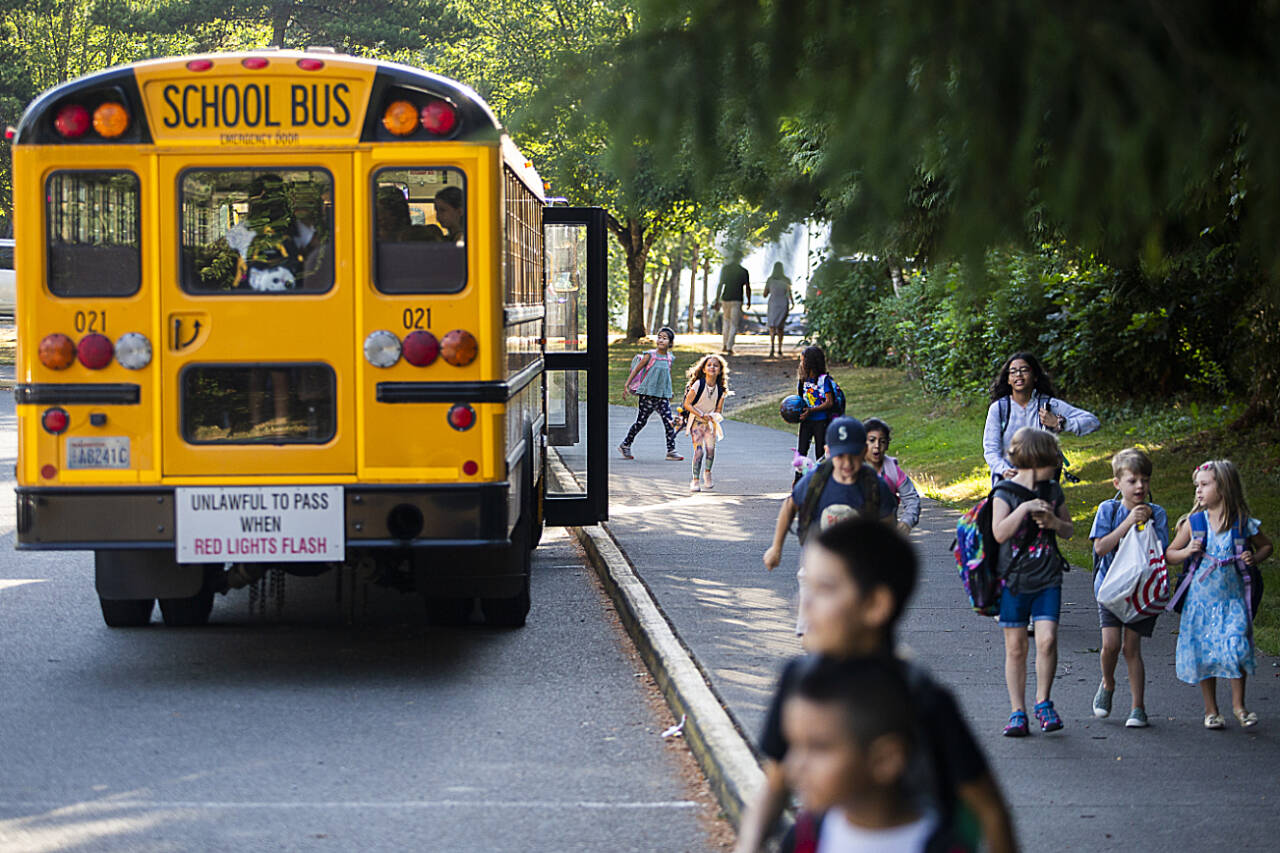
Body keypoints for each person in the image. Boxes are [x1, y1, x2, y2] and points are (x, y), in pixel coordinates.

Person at [737, 518, 1016, 853]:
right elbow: (777, 782)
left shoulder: (921, 698)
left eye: (824, 589)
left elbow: (990, 810)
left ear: (875, 605)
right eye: (805, 586)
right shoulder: (799, 680)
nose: (803, 604)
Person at [780, 658, 934, 852]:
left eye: (819, 748)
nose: (795, 766)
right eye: (794, 746)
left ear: (884, 760)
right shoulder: (805, 837)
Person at [763, 417, 897, 635]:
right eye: (840, 456)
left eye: (853, 456)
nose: (847, 463)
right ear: (827, 451)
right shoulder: (817, 481)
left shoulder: (873, 485)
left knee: (851, 632)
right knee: (811, 634)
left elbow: (887, 523)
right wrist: (776, 548)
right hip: (816, 569)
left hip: (857, 569)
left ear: (863, 451)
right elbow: (789, 506)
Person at [1165, 460, 1273, 729]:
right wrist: (1188, 550)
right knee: (1206, 655)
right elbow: (1170, 554)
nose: (1198, 491)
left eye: (1204, 485)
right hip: (1201, 604)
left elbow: (1267, 546)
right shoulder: (1194, 523)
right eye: (1196, 486)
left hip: (1232, 600)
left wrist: (1254, 557)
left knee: (1237, 648)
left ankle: (1239, 706)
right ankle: (1211, 710)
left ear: (1223, 488)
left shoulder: (1242, 523)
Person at [992, 427, 1074, 737]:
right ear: (1037, 459)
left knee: (1047, 639)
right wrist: (1025, 509)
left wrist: (1054, 522)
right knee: (1015, 649)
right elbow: (999, 532)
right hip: (1013, 579)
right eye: (1055, 460)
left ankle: (1043, 702)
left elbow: (1068, 530)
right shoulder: (1005, 492)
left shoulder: (1052, 490)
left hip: (1047, 577)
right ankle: (1017, 711)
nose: (1058, 465)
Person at [1089, 448, 1169, 728]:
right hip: (1110, 590)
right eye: (1133, 480)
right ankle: (1107, 683)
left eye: (1145, 480)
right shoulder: (1108, 510)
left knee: (1130, 648)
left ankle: (1138, 707)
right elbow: (1100, 547)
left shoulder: (1157, 513)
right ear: (1117, 483)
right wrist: (1128, 522)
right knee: (1110, 645)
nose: (1140, 486)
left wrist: (1149, 523)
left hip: (1141, 593)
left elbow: (1162, 553)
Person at [983, 352, 1099, 485]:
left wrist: (1060, 423)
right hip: (1008, 481)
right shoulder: (999, 408)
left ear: (1035, 376)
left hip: (1043, 481)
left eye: (1024, 370)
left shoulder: (1049, 405)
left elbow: (1093, 422)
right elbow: (991, 449)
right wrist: (1003, 469)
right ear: (1008, 379)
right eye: (1013, 371)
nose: (1019, 375)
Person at [618, 327, 684, 461]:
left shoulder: (670, 358)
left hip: (662, 396)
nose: (661, 340)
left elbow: (667, 377)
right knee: (641, 422)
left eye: (664, 338)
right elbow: (636, 370)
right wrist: (627, 384)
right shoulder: (650, 355)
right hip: (647, 395)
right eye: (659, 337)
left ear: (670, 342)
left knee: (669, 422)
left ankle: (671, 451)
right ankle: (625, 444)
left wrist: (668, 392)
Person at [863, 417, 921, 534]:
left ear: (888, 444)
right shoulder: (853, 467)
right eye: (872, 440)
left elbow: (912, 498)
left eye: (882, 441)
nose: (877, 446)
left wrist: (907, 521)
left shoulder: (892, 470)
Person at [682, 354, 729, 492]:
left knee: (710, 450)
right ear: (703, 369)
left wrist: (713, 415)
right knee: (699, 451)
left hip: (710, 423)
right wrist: (701, 414)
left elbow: (719, 409)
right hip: (696, 422)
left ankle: (707, 473)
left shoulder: (721, 389)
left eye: (715, 365)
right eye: (709, 365)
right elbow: (687, 404)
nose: (712, 367)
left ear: (720, 370)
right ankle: (695, 480)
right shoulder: (698, 384)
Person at [794, 345, 836, 483]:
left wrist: (811, 411)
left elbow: (829, 402)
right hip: (807, 421)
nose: (801, 364)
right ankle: (799, 480)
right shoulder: (803, 380)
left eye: (803, 361)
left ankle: (821, 482)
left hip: (820, 421)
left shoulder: (824, 380)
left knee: (820, 453)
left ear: (811, 363)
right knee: (801, 452)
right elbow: (801, 400)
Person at [716, 254, 751, 355]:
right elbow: (748, 287)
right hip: (737, 299)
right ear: (740, 259)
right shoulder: (743, 271)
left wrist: (717, 299)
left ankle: (724, 345)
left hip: (725, 298)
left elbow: (720, 285)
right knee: (734, 323)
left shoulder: (725, 269)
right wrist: (749, 300)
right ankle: (729, 347)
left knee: (726, 322)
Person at [764, 261, 794, 358]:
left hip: (773, 303)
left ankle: (772, 347)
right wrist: (792, 302)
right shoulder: (786, 280)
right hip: (783, 303)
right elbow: (789, 293)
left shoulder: (770, 280)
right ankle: (780, 349)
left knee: (772, 326)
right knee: (780, 327)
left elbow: (765, 294)